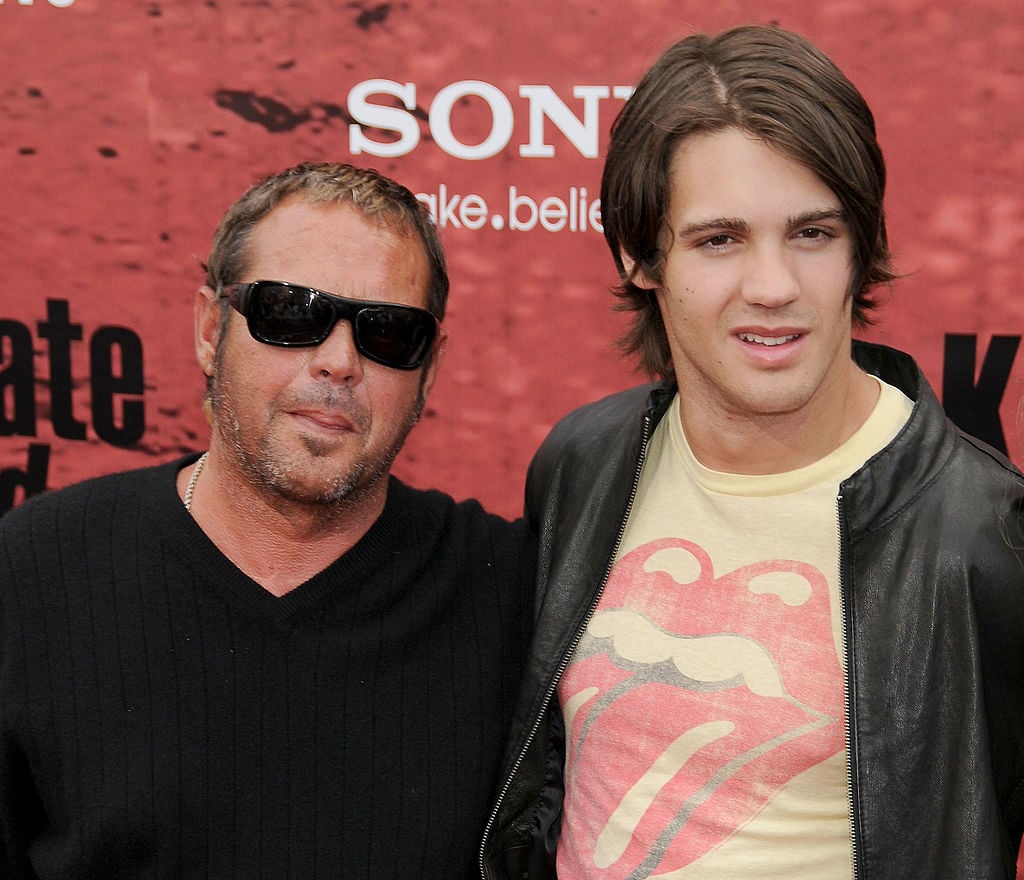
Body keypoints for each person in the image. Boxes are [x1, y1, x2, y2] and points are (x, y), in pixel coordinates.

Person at [480, 24, 1024, 880]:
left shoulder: (985, 533)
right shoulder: (582, 464)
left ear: (859, 250)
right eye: (719, 239)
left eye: (812, 234)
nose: (772, 288)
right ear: (639, 255)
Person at [0, 162, 535, 879]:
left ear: (429, 371)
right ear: (209, 330)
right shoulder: (34, 572)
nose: (339, 361)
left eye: (388, 333)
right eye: (292, 313)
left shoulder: (513, 595)